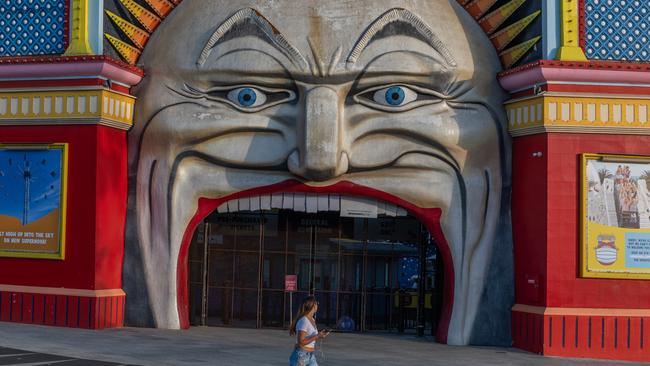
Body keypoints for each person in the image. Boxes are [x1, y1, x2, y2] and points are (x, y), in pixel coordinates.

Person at [289, 296, 330, 366]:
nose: (317, 305)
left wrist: (321, 335)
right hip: (301, 356)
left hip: (310, 355)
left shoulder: (312, 319)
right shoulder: (304, 321)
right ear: (313, 306)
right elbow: (301, 342)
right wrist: (317, 336)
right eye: (317, 303)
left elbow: (311, 337)